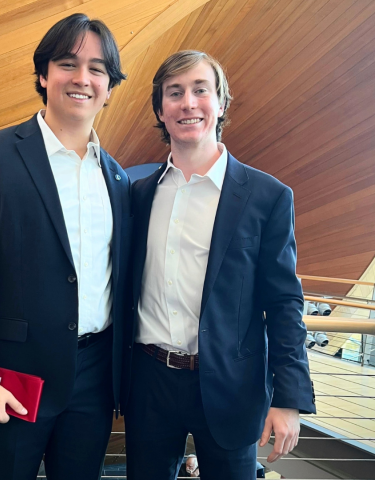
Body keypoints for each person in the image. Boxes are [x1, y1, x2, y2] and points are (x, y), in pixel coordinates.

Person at [0, 13, 131, 480]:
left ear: (109, 88)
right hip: (14, 380)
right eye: (68, 63)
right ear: (44, 75)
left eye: (97, 69)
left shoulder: (118, 177)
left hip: (94, 379)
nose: (82, 78)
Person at [122, 50, 316, 479]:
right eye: (175, 93)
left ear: (221, 103)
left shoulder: (267, 197)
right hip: (149, 383)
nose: (188, 103)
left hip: (232, 385)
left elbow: (285, 303)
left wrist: (288, 399)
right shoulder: (138, 195)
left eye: (199, 90)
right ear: (160, 109)